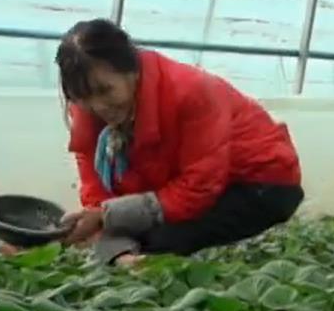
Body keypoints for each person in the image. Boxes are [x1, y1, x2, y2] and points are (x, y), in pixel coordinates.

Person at [55, 19, 305, 265]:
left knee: (161, 241)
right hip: (198, 186)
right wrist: (107, 232)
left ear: (132, 71)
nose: (98, 106)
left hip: (262, 183)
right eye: (83, 96)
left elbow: (199, 187)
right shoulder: (87, 109)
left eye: (106, 91)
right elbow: (96, 188)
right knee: (128, 234)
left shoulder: (191, 92)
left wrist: (106, 218)